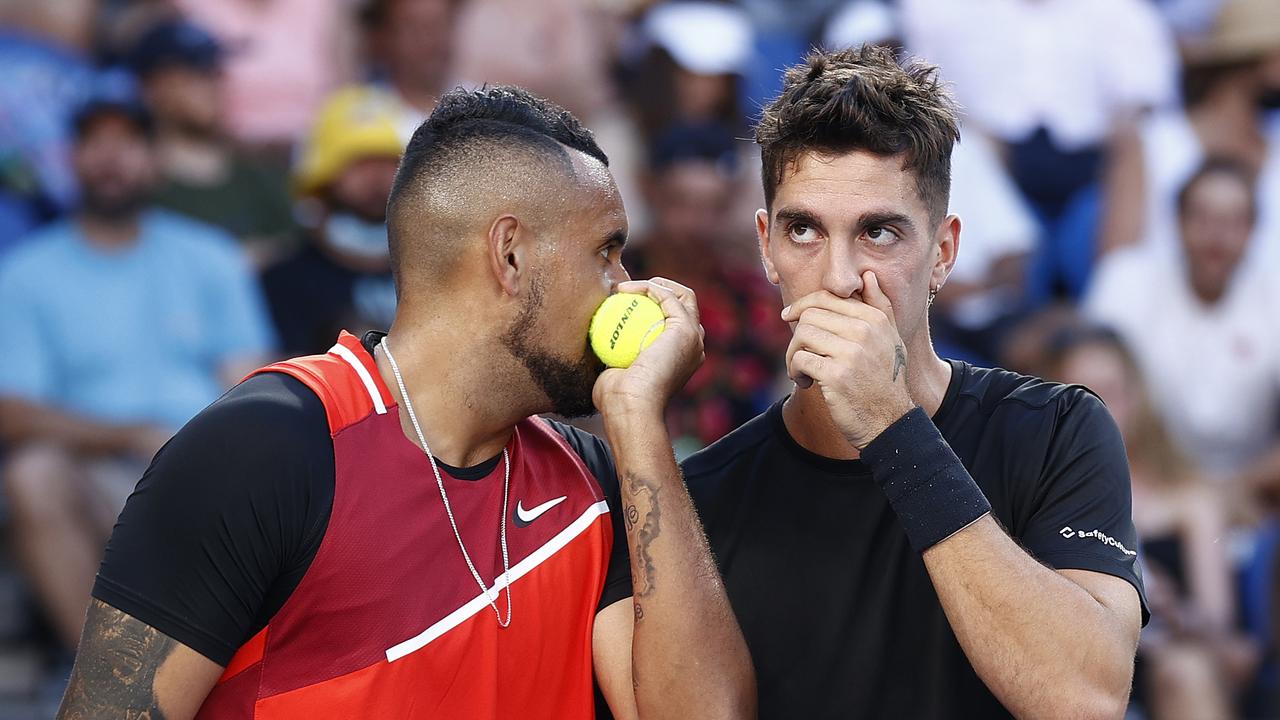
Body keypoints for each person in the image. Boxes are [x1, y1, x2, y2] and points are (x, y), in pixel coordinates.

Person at [56, 86, 754, 719]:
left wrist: (638, 423)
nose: (624, 285)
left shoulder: (596, 477)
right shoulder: (264, 448)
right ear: (509, 255)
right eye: (605, 251)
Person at [683, 45, 1146, 718]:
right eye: (804, 229)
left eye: (878, 232)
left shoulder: (1054, 430)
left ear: (944, 253)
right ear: (766, 246)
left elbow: (1086, 697)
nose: (840, 278)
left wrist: (891, 427)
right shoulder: (709, 495)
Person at [0, 89, 275, 651]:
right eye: (94, 142)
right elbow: (12, 413)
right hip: (95, 472)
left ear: (154, 158)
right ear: (70, 158)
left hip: (203, 460)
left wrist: (191, 451)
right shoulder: (26, 273)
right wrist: (127, 435)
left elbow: (254, 386)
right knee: (31, 475)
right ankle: (103, 685)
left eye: (128, 141)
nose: (110, 157)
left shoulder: (208, 255)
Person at [1051, 327, 1257, 720]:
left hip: (1170, 661)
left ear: (1135, 397)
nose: (1098, 410)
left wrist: (1172, 608)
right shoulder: (1041, 502)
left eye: (1109, 392)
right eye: (1081, 395)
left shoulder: (1189, 500)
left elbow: (1218, 625)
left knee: (1186, 671)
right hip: (1083, 665)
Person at [1086, 158, 1280, 487]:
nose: (1217, 234)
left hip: (1249, 494)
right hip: (1135, 484)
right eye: (1203, 217)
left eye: (1234, 221)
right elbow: (1088, 397)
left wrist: (1236, 492)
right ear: (1177, 222)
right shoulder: (1126, 279)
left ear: (1253, 231)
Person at [129, 18, 295, 268]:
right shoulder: (135, 186)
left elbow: (298, 255)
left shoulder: (262, 170)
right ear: (152, 88)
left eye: (217, 71)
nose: (216, 84)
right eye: (198, 72)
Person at [262, 86, 403, 356]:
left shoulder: (431, 271)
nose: (376, 178)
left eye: (388, 163)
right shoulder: (284, 280)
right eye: (358, 164)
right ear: (321, 179)